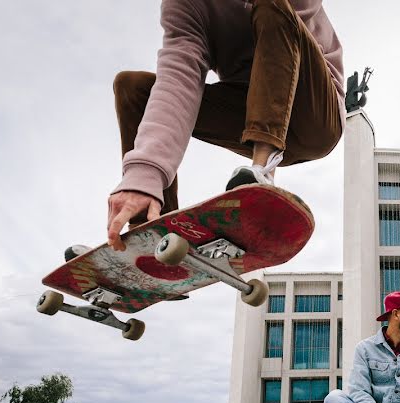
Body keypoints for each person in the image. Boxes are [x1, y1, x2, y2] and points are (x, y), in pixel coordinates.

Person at [66, 0, 345, 261]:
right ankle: (150, 227)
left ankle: (262, 171)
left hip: (315, 115)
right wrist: (143, 177)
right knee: (133, 88)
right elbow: (178, 77)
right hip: (245, 106)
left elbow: (287, 26)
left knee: (273, 3)